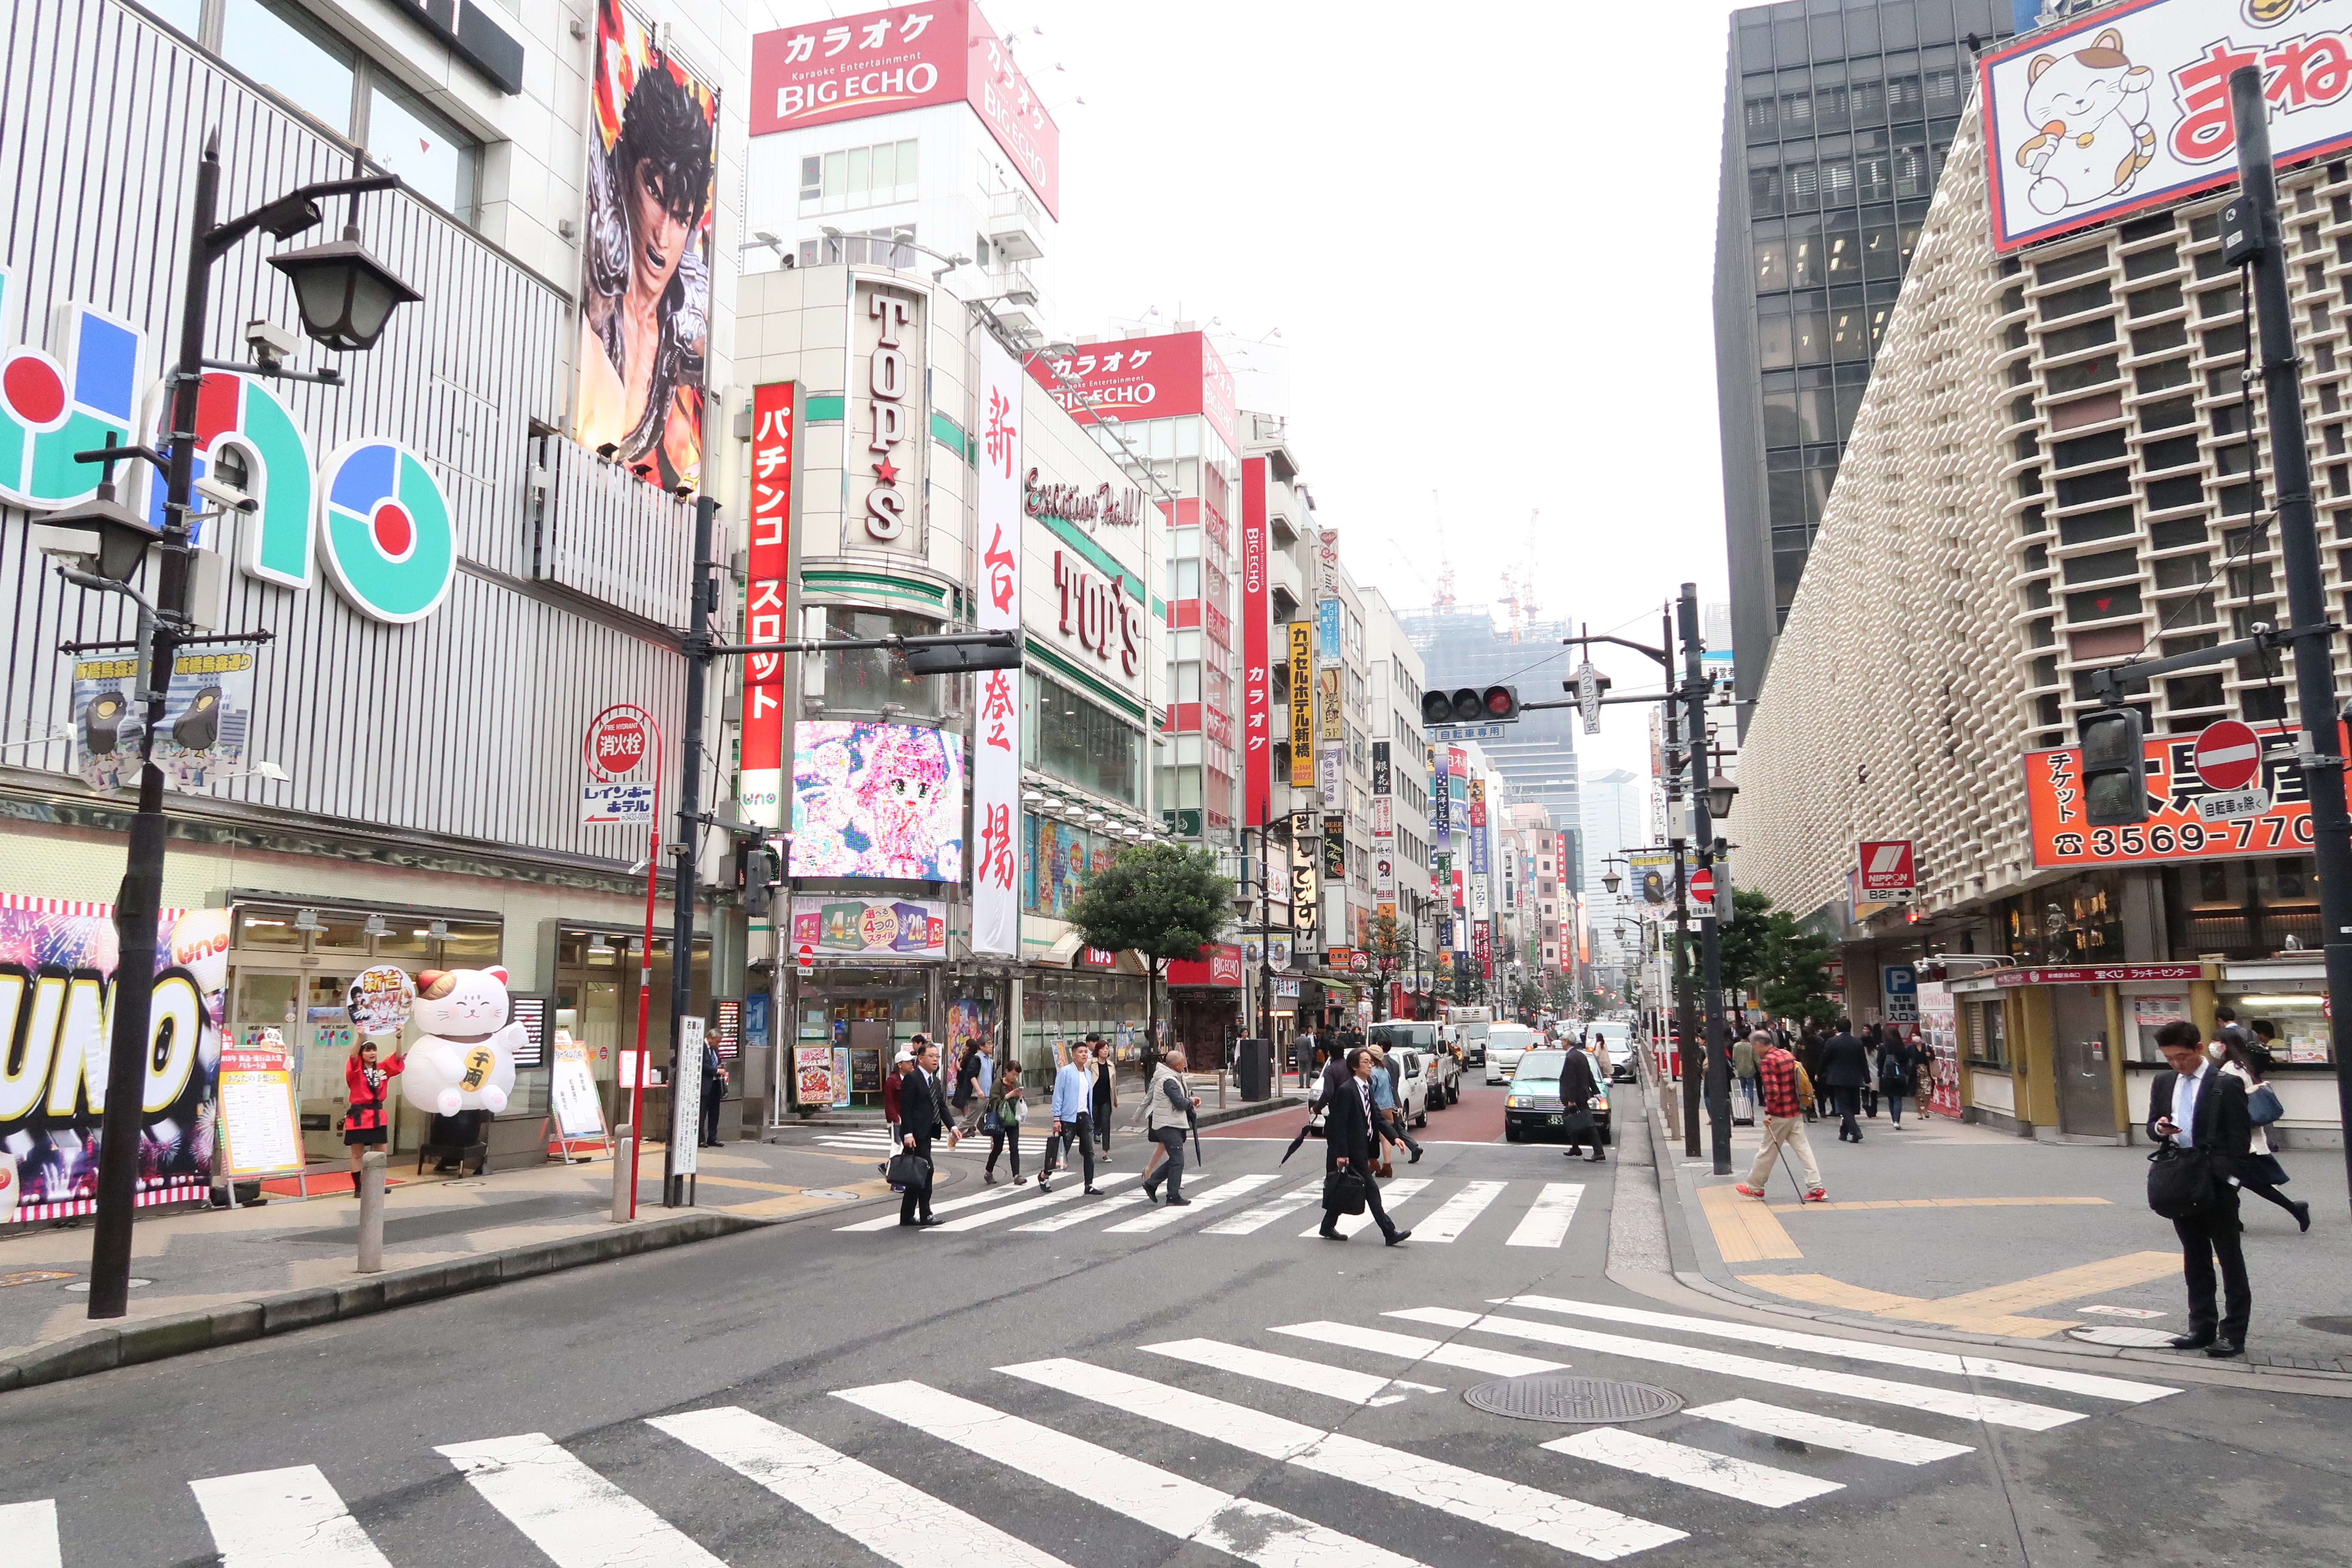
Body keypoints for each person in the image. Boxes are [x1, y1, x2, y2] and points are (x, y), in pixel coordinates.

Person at [2148, 1020, 2254, 1357]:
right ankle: (2201, 1326)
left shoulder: (2226, 1083)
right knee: (2195, 1257)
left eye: (2182, 1056)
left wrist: (2231, 1182)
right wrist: (2160, 1128)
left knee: (2229, 1258)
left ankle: (2233, 1333)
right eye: (2169, 1058)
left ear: (2198, 1049)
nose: (2177, 1064)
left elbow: (2240, 1140)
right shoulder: (2165, 1082)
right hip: (2181, 1177)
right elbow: (2153, 1125)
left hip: (2217, 1181)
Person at [1319, 1047, 1411, 1246]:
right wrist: (1342, 1154)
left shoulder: (1367, 1087)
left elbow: (1377, 1117)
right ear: (1354, 1066)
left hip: (1364, 1148)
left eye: (1371, 1062)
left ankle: (1327, 1226)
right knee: (1371, 1189)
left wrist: (1395, 1137)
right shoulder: (1347, 1090)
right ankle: (1389, 1232)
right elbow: (1340, 1125)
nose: (1370, 1065)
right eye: (1366, 1062)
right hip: (1351, 1151)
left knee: (1346, 1186)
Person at [2218, 1032, 2309, 1232]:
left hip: (2241, 1136)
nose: (2213, 1046)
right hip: (2249, 1135)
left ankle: (2296, 1209)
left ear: (2225, 1045)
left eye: (2216, 1042)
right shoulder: (2244, 1065)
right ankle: (2231, 1219)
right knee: (2236, 1181)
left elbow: (2230, 1099)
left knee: (2244, 1183)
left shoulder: (2232, 1068)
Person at [1736, 1030, 1826, 1203]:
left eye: (1754, 1046)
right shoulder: (1787, 1054)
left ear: (1758, 1045)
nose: (1754, 1050)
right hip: (1795, 1111)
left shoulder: (1768, 1062)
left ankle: (1755, 1187)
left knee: (1767, 1151)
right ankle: (1817, 1188)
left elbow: (1772, 1091)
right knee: (1804, 1150)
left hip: (1779, 1114)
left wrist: (1769, 1112)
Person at [896, 1041, 955, 1227]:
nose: (936, 1060)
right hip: (915, 1136)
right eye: (931, 1056)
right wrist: (908, 1134)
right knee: (927, 1171)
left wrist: (953, 1128)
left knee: (917, 1174)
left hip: (928, 1133)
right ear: (920, 1059)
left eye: (937, 1056)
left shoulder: (935, 1081)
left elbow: (942, 1107)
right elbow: (906, 1108)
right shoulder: (913, 1079)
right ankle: (926, 1214)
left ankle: (907, 1216)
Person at [1142, 1046, 1201, 1205]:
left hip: (1168, 1123)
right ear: (1176, 1065)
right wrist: (1190, 1101)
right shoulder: (1169, 1080)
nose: (1185, 1065)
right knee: (1177, 1160)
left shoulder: (1170, 1078)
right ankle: (1171, 1195)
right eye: (1183, 1062)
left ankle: (1153, 1184)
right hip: (1167, 1124)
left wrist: (1190, 1101)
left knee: (1176, 1160)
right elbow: (1180, 1103)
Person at [1042, 1044, 1100, 1195]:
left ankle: (1089, 1185)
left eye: (1085, 1052)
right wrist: (1057, 1118)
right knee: (1062, 1151)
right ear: (1073, 1055)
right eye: (1080, 1052)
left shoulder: (1088, 1073)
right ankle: (1044, 1175)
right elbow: (1058, 1096)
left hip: (1085, 1115)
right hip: (1068, 1117)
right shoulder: (1065, 1072)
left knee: (1089, 1151)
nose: (1084, 1055)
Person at [343, 1039, 405, 1179]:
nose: (372, 1053)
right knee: (357, 1154)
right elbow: (353, 1057)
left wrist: (399, 1038)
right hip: (359, 1116)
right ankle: (358, 1188)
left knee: (380, 1152)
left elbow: (397, 1059)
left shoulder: (382, 1069)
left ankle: (376, 1185)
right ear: (361, 1054)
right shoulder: (356, 1070)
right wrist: (360, 1036)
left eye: (374, 1050)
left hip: (377, 1116)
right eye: (368, 1050)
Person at [1366, 1044, 1423, 1165]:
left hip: (1376, 1106)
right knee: (1389, 1132)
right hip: (1389, 1104)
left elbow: (1371, 1090)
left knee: (1370, 1134)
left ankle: (1372, 1162)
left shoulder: (1373, 1072)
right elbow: (1391, 1086)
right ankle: (1387, 1163)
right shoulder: (1387, 1068)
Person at [1820, 1018, 1871, 1143]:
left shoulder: (1832, 1042)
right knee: (1851, 1107)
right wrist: (1867, 1079)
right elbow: (1863, 1062)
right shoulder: (1858, 1043)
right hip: (1855, 1079)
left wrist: (1819, 1073)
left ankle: (1856, 1131)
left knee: (1844, 1107)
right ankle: (1844, 1133)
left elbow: (1824, 1059)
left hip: (1838, 1079)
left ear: (1837, 1028)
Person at [1557, 1036, 1605, 1164]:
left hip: (1577, 1096)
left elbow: (1572, 1080)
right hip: (1581, 1094)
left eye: (1562, 1040)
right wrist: (1596, 1092)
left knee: (1588, 1124)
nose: (1562, 1043)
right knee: (1572, 1119)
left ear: (1567, 1041)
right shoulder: (1580, 1055)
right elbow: (1589, 1075)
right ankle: (1575, 1147)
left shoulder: (1571, 1058)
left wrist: (1572, 1099)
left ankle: (1599, 1152)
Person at [983, 1063, 1027, 1185]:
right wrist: (1007, 1096)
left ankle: (1017, 1175)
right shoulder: (998, 1083)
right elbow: (993, 1100)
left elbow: (1021, 1102)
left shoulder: (1016, 1085)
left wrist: (1020, 1097)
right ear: (1006, 1072)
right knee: (998, 1148)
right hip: (1000, 1120)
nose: (1014, 1077)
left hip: (1013, 1120)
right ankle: (989, 1171)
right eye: (1013, 1074)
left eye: (1017, 1075)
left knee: (1014, 1148)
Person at [1876, 1027, 1916, 1130]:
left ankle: (1893, 1119)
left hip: (1887, 1077)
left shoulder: (1882, 1047)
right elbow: (1905, 1062)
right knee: (1898, 1098)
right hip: (1899, 1076)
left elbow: (1880, 1063)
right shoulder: (1901, 1046)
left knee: (1890, 1099)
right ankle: (1897, 1121)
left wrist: (1880, 1076)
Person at [698, 1032, 729, 1147]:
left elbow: (715, 1061)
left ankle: (713, 1138)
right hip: (705, 1084)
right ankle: (701, 1139)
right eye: (717, 1041)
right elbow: (703, 1065)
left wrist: (720, 1067)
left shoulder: (714, 1049)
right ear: (710, 1038)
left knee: (715, 1112)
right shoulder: (702, 1047)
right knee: (702, 1113)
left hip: (716, 1083)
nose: (718, 1044)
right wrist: (716, 1071)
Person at [1091, 1036, 1118, 1157]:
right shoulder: (1090, 1064)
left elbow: (1114, 1086)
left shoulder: (1111, 1066)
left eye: (1107, 1049)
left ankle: (1105, 1152)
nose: (1106, 1051)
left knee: (1106, 1124)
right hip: (1093, 1099)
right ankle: (1087, 1148)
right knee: (1092, 1123)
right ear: (1098, 1051)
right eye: (1103, 1049)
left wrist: (1115, 1101)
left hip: (1107, 1099)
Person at [881, 1045, 909, 1146]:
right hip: (899, 1122)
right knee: (899, 1148)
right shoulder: (892, 1081)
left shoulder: (913, 1079)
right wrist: (895, 1118)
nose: (911, 1064)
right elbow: (889, 1102)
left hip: (911, 1121)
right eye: (908, 1062)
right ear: (900, 1065)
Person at [1731, 1031, 1760, 1124]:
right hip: (1751, 1068)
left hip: (1740, 1068)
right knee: (1750, 1088)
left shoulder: (1736, 1046)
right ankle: (1750, 1104)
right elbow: (1756, 1059)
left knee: (1743, 1087)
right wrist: (1760, 1067)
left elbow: (1734, 1058)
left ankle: (1743, 1102)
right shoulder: (1752, 1046)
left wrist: (1735, 1065)